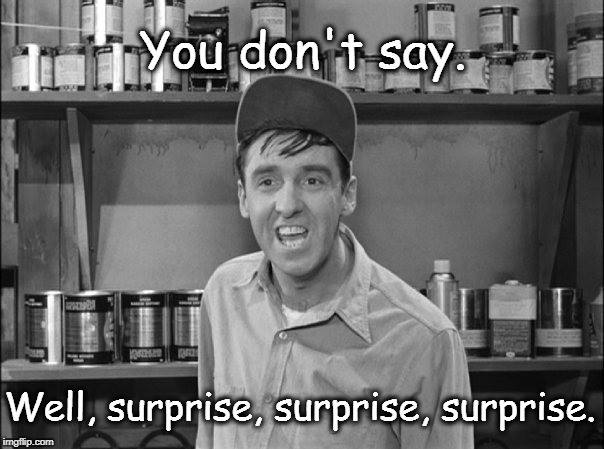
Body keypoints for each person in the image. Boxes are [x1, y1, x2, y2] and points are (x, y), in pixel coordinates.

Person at [196, 75, 473, 449]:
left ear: (348, 194)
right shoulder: (223, 295)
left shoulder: (425, 341)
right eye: (267, 182)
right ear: (244, 197)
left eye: (312, 180)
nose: (288, 205)